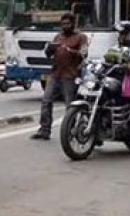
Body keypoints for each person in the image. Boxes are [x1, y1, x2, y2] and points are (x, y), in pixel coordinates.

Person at [31, 13, 89, 141]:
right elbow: (48, 54)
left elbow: (84, 54)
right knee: (46, 101)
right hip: (55, 73)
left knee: (69, 105)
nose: (65, 26)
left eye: (67, 24)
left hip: (70, 75)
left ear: (73, 24)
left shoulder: (81, 37)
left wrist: (68, 49)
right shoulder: (58, 37)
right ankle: (44, 130)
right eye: (62, 24)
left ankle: (70, 131)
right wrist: (50, 48)